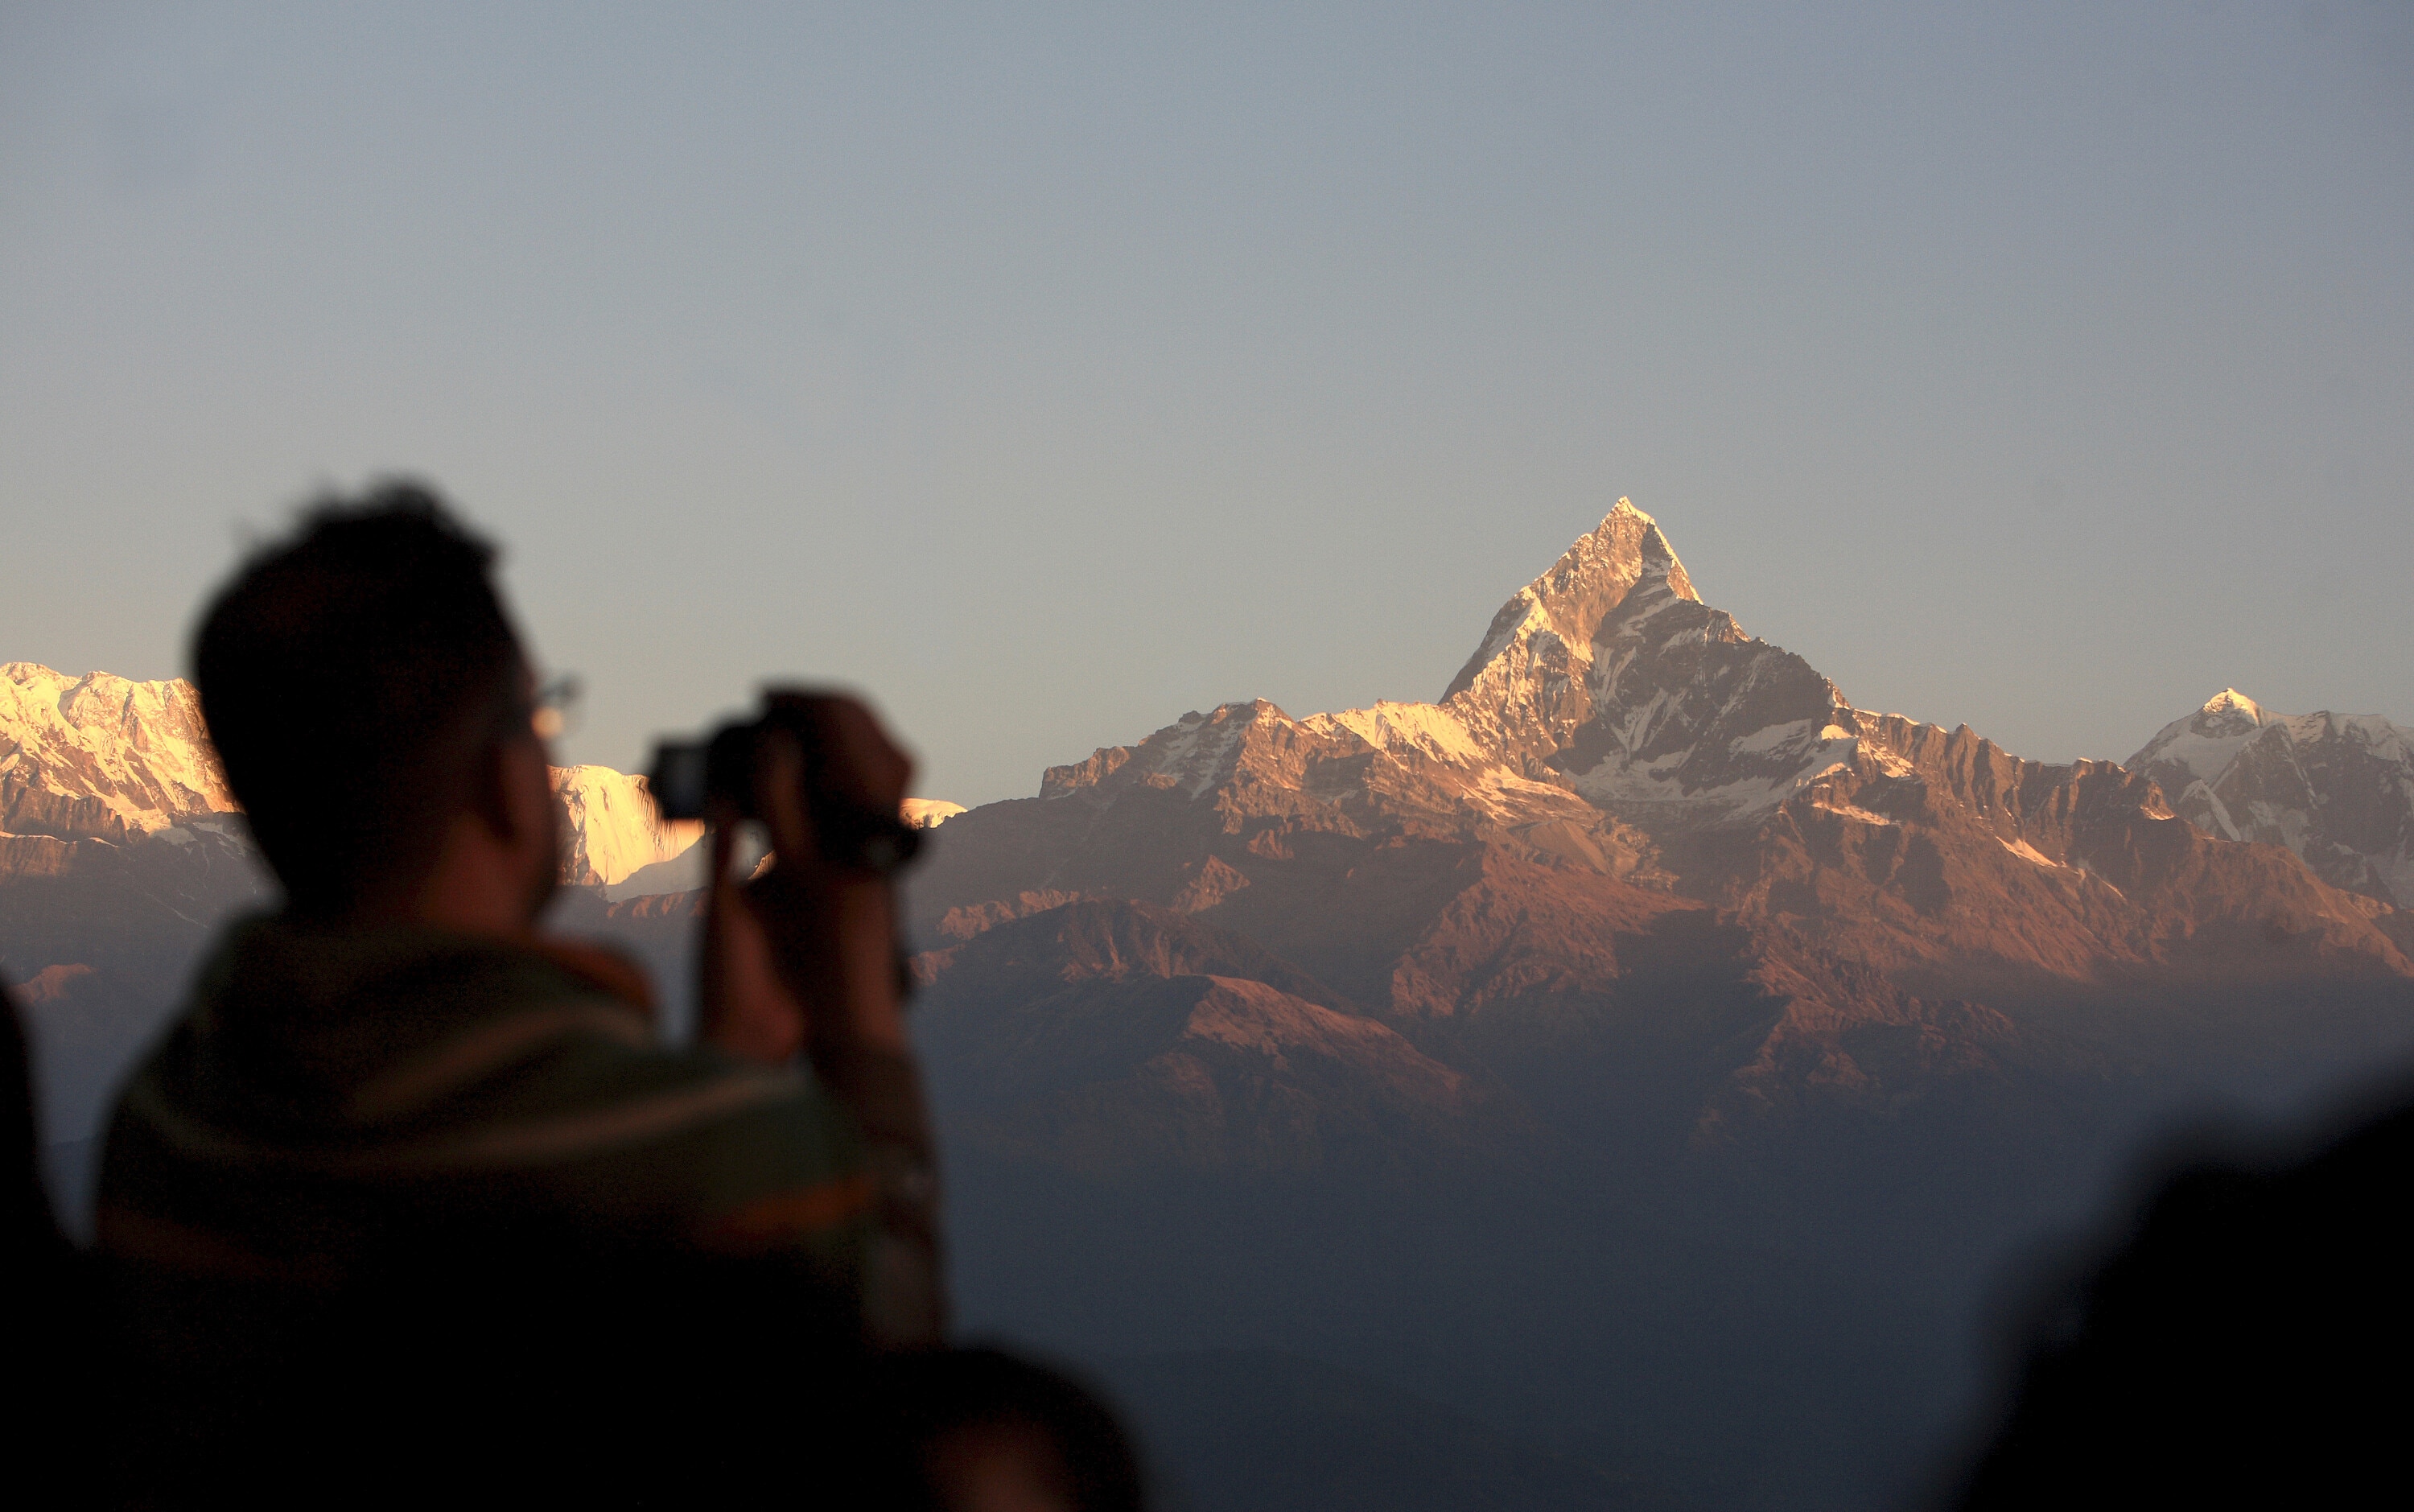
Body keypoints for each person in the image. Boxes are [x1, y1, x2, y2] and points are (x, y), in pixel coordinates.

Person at [95, 483, 945, 1504]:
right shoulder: (728, 1160)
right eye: (541, 719)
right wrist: (857, 1005)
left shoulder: (163, 1129)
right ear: (501, 777)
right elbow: (893, 1426)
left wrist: (723, 1072)